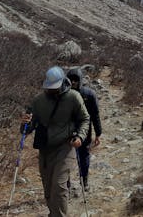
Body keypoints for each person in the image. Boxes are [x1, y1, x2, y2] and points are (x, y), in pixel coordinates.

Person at [21, 66, 89, 217]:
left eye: (55, 88)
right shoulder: (38, 101)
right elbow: (27, 129)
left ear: (63, 82)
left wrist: (80, 137)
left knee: (59, 186)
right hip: (45, 149)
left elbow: (85, 119)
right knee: (48, 188)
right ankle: (54, 213)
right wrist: (25, 123)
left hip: (66, 146)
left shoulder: (73, 97)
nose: (51, 90)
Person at [66, 67, 102, 192]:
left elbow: (95, 115)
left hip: (78, 130)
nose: (74, 82)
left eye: (75, 80)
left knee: (79, 156)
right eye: (72, 80)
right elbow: (95, 115)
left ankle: (80, 181)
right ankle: (75, 182)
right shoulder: (88, 94)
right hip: (75, 130)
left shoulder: (88, 94)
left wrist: (98, 133)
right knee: (74, 156)